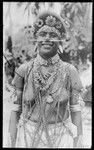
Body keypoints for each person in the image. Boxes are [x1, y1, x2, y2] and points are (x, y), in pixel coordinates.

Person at [8, 11, 85, 148]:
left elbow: (75, 110)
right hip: (27, 138)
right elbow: (15, 111)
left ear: (60, 39)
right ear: (36, 39)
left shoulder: (70, 71)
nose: (47, 38)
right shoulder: (24, 70)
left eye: (53, 35)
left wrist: (78, 143)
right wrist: (10, 143)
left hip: (62, 138)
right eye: (43, 34)